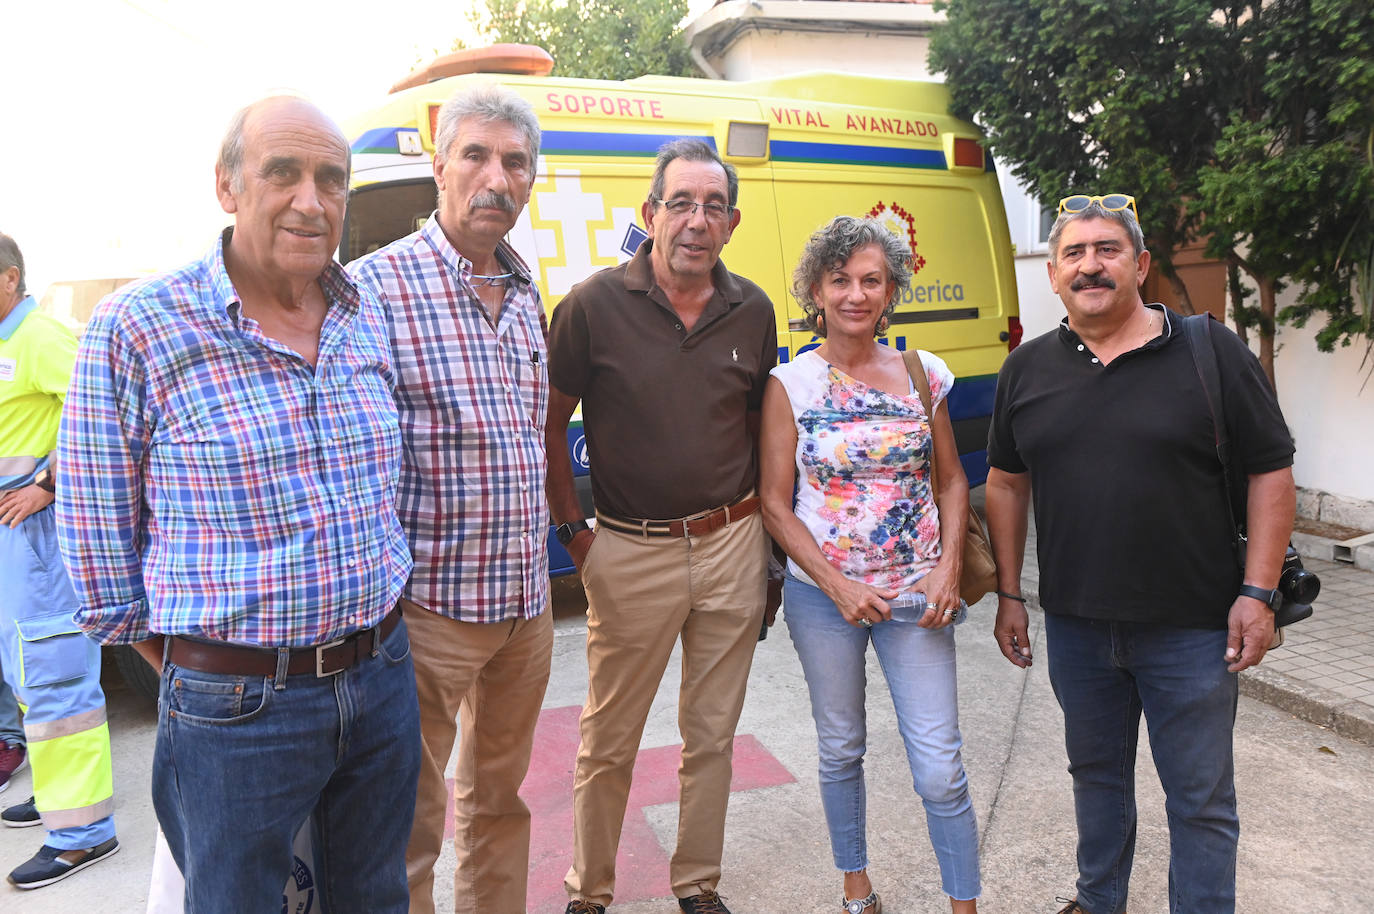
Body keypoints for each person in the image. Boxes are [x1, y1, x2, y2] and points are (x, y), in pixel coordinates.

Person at [56, 98, 421, 913]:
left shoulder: (365, 318)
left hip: (383, 679)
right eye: (282, 173)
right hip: (236, 710)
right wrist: (208, 675)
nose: (311, 199)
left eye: (332, 179)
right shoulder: (140, 327)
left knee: (376, 896)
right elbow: (96, 552)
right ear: (226, 186)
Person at [984, 194, 1296, 914]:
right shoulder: (1026, 371)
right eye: (1074, 254)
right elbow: (1004, 484)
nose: (1091, 265)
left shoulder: (1208, 349)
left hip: (1194, 628)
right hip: (1078, 629)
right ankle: (1099, 902)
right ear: (1054, 275)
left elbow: (1271, 470)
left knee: (1200, 799)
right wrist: (1008, 593)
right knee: (1096, 782)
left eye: (1107, 250)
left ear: (1141, 264)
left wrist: (1259, 592)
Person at [547, 138, 777, 914]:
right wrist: (577, 535)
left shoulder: (752, 307)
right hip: (629, 551)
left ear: (732, 222)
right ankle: (590, 891)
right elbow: (550, 425)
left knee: (711, 736)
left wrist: (765, 548)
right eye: (680, 202)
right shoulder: (590, 306)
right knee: (608, 741)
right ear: (650, 213)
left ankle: (697, 884)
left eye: (713, 206)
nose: (695, 220)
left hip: (731, 544)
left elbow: (755, 429)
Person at [348, 83, 553, 914]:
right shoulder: (373, 290)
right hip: (427, 609)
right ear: (439, 166)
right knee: (409, 815)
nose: (494, 177)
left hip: (525, 605)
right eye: (475, 155)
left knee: (499, 802)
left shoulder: (526, 291)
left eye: (514, 161)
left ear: (531, 180)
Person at [759, 216, 981, 914]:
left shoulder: (925, 373)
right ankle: (857, 888)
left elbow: (951, 481)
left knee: (941, 767)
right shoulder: (789, 384)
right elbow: (773, 502)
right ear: (816, 292)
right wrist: (837, 584)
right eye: (840, 280)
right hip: (823, 601)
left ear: (891, 293)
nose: (855, 294)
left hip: (919, 596)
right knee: (841, 748)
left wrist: (947, 569)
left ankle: (964, 903)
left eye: (871, 281)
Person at [0, 231, 119, 889]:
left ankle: (81, 836)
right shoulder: (7, 341)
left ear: (10, 278)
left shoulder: (40, 337)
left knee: (54, 676)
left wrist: (47, 485)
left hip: (36, 535)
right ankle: (57, 795)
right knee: (25, 673)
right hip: (12, 541)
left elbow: (97, 413)